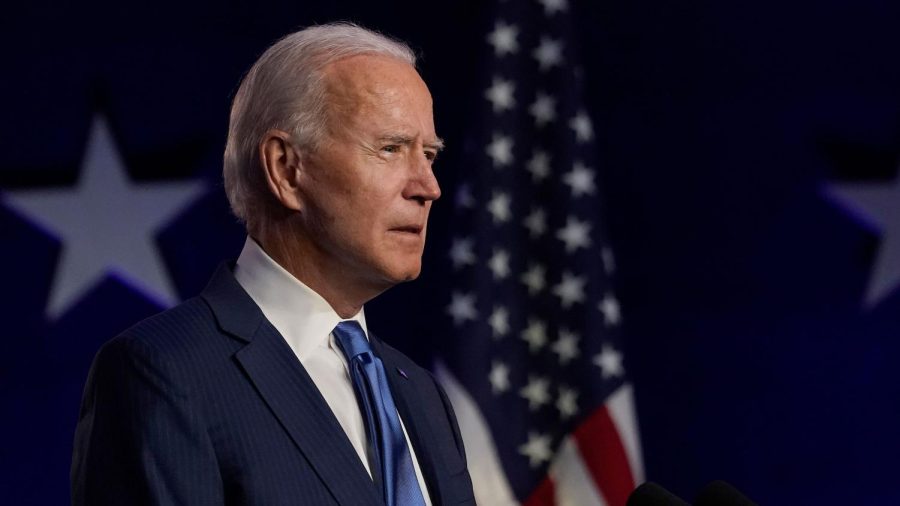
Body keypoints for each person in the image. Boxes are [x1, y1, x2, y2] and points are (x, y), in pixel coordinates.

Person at [71, 23, 475, 506]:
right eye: (390, 149)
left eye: (429, 155)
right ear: (285, 169)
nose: (428, 187)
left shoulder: (421, 395)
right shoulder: (163, 373)